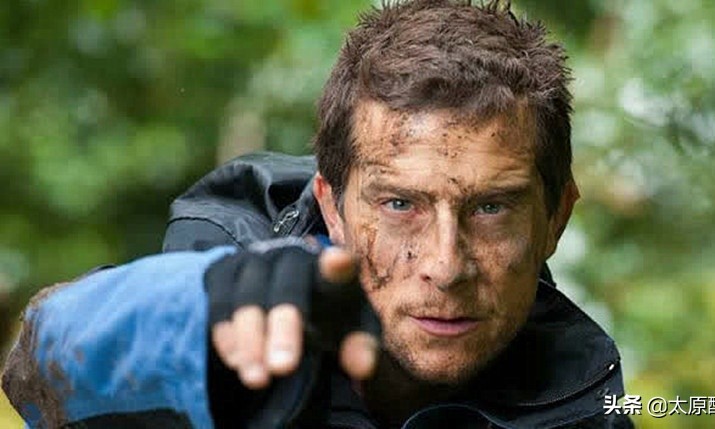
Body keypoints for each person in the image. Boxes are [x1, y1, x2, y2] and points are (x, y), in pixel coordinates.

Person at [2, 1, 631, 427]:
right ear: (331, 207)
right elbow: (34, 367)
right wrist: (188, 319)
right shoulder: (227, 270)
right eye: (399, 204)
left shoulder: (584, 402)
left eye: (491, 207)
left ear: (556, 218)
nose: (445, 266)